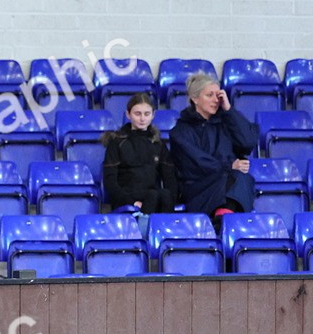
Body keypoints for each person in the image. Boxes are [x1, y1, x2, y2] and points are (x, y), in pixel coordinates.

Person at [170, 72, 257, 223]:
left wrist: (229, 110)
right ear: (195, 98)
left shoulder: (225, 122)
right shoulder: (180, 131)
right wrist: (229, 166)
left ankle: (222, 220)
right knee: (236, 179)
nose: (216, 100)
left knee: (242, 179)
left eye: (218, 95)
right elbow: (196, 163)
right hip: (198, 188)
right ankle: (226, 222)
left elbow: (248, 142)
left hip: (227, 182)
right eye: (209, 95)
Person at [102, 92, 179, 213]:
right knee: (153, 196)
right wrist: (131, 202)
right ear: (128, 114)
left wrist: (171, 200)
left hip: (153, 198)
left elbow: (169, 178)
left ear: (153, 115)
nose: (142, 118)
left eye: (147, 114)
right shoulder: (117, 142)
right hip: (126, 200)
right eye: (137, 114)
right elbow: (110, 181)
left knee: (164, 195)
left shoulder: (158, 143)